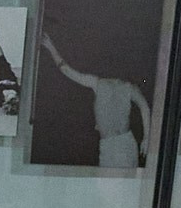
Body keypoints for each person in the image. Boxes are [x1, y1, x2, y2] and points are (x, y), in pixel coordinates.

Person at [38, 30, 151, 168]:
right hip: (115, 144)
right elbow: (145, 107)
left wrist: (51, 47)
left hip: (123, 144)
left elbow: (66, 69)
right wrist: (146, 138)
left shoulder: (113, 85)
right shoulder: (116, 86)